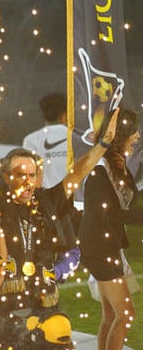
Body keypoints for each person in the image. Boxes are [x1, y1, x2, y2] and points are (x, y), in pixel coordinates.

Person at [0, 109, 118, 349]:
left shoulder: (46, 200)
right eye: (20, 175)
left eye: (31, 175)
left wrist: (103, 144)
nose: (27, 181)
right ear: (6, 176)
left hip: (45, 306)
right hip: (4, 310)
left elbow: (77, 174)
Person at [80, 107, 141, 350]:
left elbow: (132, 200)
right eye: (133, 133)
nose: (136, 137)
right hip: (99, 249)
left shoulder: (118, 164)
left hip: (107, 246)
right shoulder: (100, 168)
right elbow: (107, 215)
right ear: (120, 136)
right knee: (125, 315)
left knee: (110, 315)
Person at [22, 92, 69, 189]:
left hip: (45, 199)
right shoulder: (76, 137)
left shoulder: (31, 140)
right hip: (74, 199)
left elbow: (27, 174)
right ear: (65, 115)